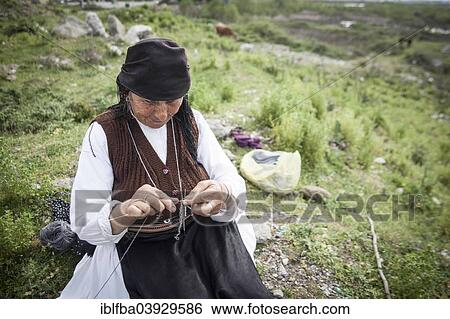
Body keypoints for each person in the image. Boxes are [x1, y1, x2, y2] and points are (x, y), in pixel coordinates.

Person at [59, 38, 275, 299]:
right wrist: (123, 211)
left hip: (206, 231)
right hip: (144, 244)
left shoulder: (193, 121)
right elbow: (84, 219)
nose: (161, 114)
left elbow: (229, 176)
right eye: (149, 102)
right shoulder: (104, 132)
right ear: (126, 91)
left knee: (245, 295)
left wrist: (222, 192)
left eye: (172, 101)